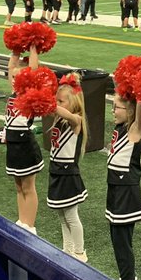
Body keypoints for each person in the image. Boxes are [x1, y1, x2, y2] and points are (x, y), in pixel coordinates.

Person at [106, 93, 141, 280]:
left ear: (131, 111)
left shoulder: (136, 129)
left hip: (126, 192)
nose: (112, 111)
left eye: (117, 107)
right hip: (115, 189)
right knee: (117, 239)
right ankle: (126, 278)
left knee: (122, 241)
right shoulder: (121, 128)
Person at [5, 46, 44, 234]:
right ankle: (21, 221)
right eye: (13, 78)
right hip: (12, 144)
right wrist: (16, 48)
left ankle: (30, 225)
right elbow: (11, 66)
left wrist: (33, 46)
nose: (14, 81)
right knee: (18, 186)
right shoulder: (13, 93)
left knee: (28, 186)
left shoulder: (28, 94)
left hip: (25, 143)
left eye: (18, 78)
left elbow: (34, 71)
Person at [48, 75, 88, 260]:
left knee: (71, 216)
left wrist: (47, 101)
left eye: (61, 101)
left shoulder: (76, 120)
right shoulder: (58, 118)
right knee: (62, 216)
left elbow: (68, 116)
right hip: (56, 171)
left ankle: (80, 253)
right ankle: (67, 250)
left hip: (67, 174)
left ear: (73, 103)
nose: (56, 104)